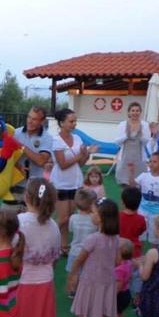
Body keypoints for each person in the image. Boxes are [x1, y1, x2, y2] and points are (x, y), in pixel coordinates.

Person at [10, 178, 61, 317]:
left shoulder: (20, 222)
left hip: (22, 283)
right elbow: (55, 256)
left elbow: (11, 252)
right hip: (45, 283)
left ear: (27, 197)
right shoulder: (54, 226)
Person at [64, 199, 120, 317]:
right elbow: (117, 261)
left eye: (94, 212)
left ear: (101, 218)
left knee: (83, 316)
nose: (91, 215)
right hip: (107, 282)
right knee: (103, 316)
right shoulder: (115, 238)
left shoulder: (93, 238)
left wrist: (73, 274)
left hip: (90, 283)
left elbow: (80, 259)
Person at [51, 108, 96, 254]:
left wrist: (86, 154)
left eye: (75, 121)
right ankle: (48, 239)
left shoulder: (77, 139)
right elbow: (62, 164)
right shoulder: (56, 140)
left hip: (75, 183)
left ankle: (63, 246)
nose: (74, 124)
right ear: (62, 123)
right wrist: (79, 156)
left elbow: (81, 163)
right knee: (63, 219)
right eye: (71, 121)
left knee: (69, 218)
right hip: (60, 184)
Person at [128, 152, 159, 244]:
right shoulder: (144, 176)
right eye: (150, 161)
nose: (151, 164)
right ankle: (139, 255)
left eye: (154, 162)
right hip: (142, 211)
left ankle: (154, 256)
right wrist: (131, 171)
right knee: (139, 236)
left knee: (156, 238)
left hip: (157, 214)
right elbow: (132, 185)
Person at [11, 106, 53, 208]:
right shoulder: (15, 133)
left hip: (34, 187)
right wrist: (17, 166)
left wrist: (21, 146)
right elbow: (6, 157)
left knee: (31, 221)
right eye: (29, 117)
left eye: (34, 119)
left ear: (42, 121)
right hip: (14, 184)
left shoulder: (47, 138)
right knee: (7, 221)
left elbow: (41, 161)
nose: (30, 121)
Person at [118, 186, 147, 314]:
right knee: (136, 277)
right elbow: (141, 231)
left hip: (121, 253)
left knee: (122, 275)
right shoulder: (141, 219)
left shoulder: (118, 217)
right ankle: (137, 299)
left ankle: (122, 293)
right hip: (135, 252)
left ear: (123, 202)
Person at [65, 188, 97, 298]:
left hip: (74, 251)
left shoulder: (73, 218)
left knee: (74, 272)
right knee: (86, 274)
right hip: (89, 252)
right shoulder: (94, 219)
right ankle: (85, 292)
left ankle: (72, 291)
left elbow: (70, 230)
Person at [114, 102, 151, 186]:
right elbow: (117, 142)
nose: (135, 113)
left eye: (137, 111)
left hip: (139, 158)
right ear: (129, 112)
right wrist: (127, 135)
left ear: (140, 112)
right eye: (133, 110)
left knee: (139, 183)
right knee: (124, 182)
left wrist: (140, 133)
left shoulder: (145, 125)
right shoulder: (122, 124)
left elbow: (146, 142)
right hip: (125, 157)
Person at [109, 238, 134, 317]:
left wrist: (111, 295)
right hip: (126, 293)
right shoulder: (128, 264)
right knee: (120, 314)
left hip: (120, 295)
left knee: (116, 315)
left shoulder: (119, 269)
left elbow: (118, 285)